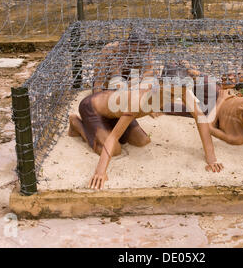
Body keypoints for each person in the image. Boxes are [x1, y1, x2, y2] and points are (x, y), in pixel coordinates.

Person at [68, 79, 223, 190]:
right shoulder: (139, 100)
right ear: (162, 85)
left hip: (117, 114)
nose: (176, 94)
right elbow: (113, 137)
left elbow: (201, 119)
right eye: (171, 91)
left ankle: (105, 127)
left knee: (143, 140)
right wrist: (100, 172)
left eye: (179, 91)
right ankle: (77, 124)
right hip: (93, 108)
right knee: (114, 150)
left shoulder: (181, 89)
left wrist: (211, 158)